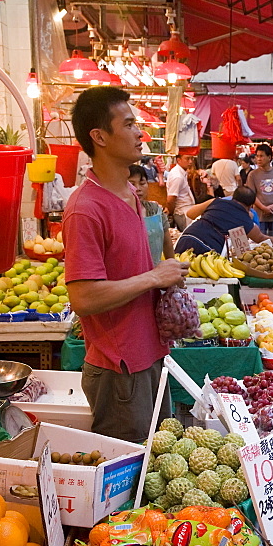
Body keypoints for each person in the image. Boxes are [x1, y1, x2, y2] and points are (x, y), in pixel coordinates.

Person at [64, 87, 189, 442]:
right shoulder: (85, 208)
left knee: (155, 463)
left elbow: (131, 268)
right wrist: (154, 276)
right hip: (120, 371)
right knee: (127, 477)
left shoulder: (131, 195)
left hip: (150, 356)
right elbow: (84, 298)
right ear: (99, 137)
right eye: (130, 124)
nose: (140, 133)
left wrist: (166, 278)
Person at [174, 186, 270, 254]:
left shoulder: (216, 201)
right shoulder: (245, 219)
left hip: (185, 238)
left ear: (233, 197)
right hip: (207, 248)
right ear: (251, 206)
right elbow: (260, 238)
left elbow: (190, 213)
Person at [128, 164, 172, 265]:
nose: (138, 188)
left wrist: (172, 264)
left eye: (142, 183)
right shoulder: (117, 213)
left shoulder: (156, 210)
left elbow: (167, 243)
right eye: (132, 184)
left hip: (156, 271)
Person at [246, 144, 273, 235]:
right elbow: (252, 195)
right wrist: (264, 208)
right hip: (259, 215)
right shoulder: (252, 174)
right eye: (257, 156)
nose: (259, 159)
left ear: (269, 157)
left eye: (261, 156)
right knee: (260, 244)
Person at [165, 153, 195, 230]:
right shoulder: (177, 176)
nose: (190, 161)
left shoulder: (182, 173)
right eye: (187, 159)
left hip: (187, 211)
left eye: (192, 159)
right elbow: (171, 199)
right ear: (178, 160)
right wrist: (170, 213)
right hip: (182, 212)